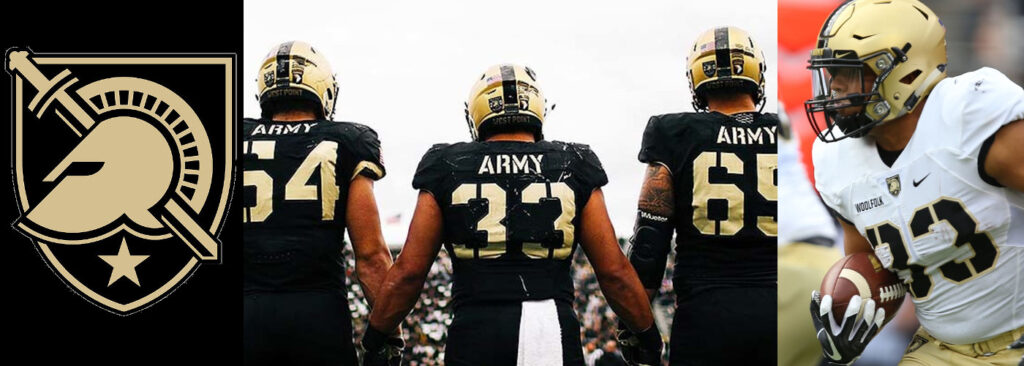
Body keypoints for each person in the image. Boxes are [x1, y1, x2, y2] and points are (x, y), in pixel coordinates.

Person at [361, 64, 663, 366]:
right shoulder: (574, 160)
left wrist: (376, 338)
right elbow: (614, 272)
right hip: (549, 328)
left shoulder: (446, 163)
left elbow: (410, 273)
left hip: (475, 328)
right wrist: (646, 334)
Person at [803, 0, 1024, 365]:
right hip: (942, 348)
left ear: (905, 73)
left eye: (850, 71)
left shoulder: (972, 116)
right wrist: (851, 315)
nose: (836, 87)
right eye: (831, 73)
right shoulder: (836, 161)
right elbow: (874, 266)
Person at [622, 25, 778, 365]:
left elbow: (650, 240)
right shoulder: (791, 131)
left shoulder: (674, 132)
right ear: (756, 72)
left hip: (707, 313)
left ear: (697, 77)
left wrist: (635, 325)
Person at [243, 41, 397, 365]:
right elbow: (370, 257)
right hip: (317, 313)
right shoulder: (347, 139)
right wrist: (387, 335)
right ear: (323, 88)